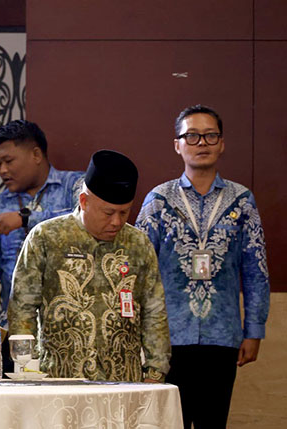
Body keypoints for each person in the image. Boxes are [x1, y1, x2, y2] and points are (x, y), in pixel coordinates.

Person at [136, 105, 270, 428]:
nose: (202, 143)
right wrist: (138, 332)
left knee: (213, 423)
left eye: (210, 136)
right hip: (167, 337)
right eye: (192, 136)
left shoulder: (242, 200)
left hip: (222, 336)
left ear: (221, 144)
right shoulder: (159, 200)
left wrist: (254, 331)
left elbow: (256, 270)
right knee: (170, 423)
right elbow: (139, 268)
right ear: (177, 145)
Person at [8, 150, 170, 382]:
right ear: (84, 201)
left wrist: (155, 371)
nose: (116, 222)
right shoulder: (46, 237)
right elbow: (22, 308)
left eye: (124, 212)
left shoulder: (138, 244)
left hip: (124, 381)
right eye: (108, 213)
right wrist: (27, 370)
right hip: (58, 379)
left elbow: (154, 311)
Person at [0, 120, 84, 327]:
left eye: (8, 161)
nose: (2, 170)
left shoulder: (74, 185)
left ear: (36, 155)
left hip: (75, 320)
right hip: (16, 324)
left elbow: (84, 221)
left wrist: (25, 219)